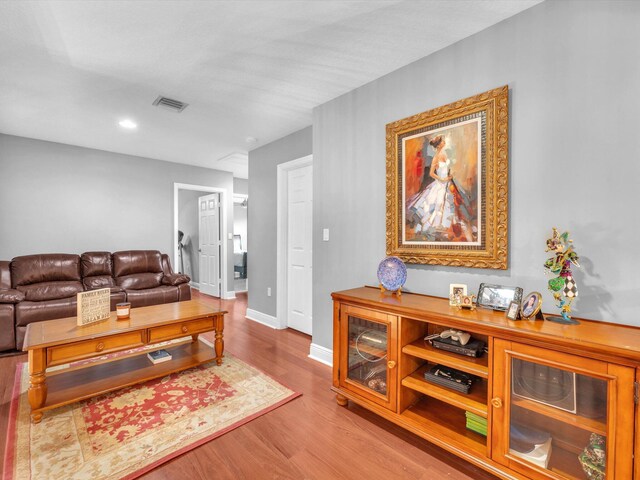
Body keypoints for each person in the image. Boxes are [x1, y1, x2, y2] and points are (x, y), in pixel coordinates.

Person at [406, 135, 472, 241]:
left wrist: (450, 176)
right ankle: (437, 227)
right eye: (442, 140)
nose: (444, 141)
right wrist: (442, 179)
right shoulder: (436, 157)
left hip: (448, 182)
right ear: (439, 144)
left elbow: (446, 169)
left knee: (451, 204)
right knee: (439, 204)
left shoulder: (444, 154)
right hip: (441, 184)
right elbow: (432, 173)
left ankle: (449, 227)